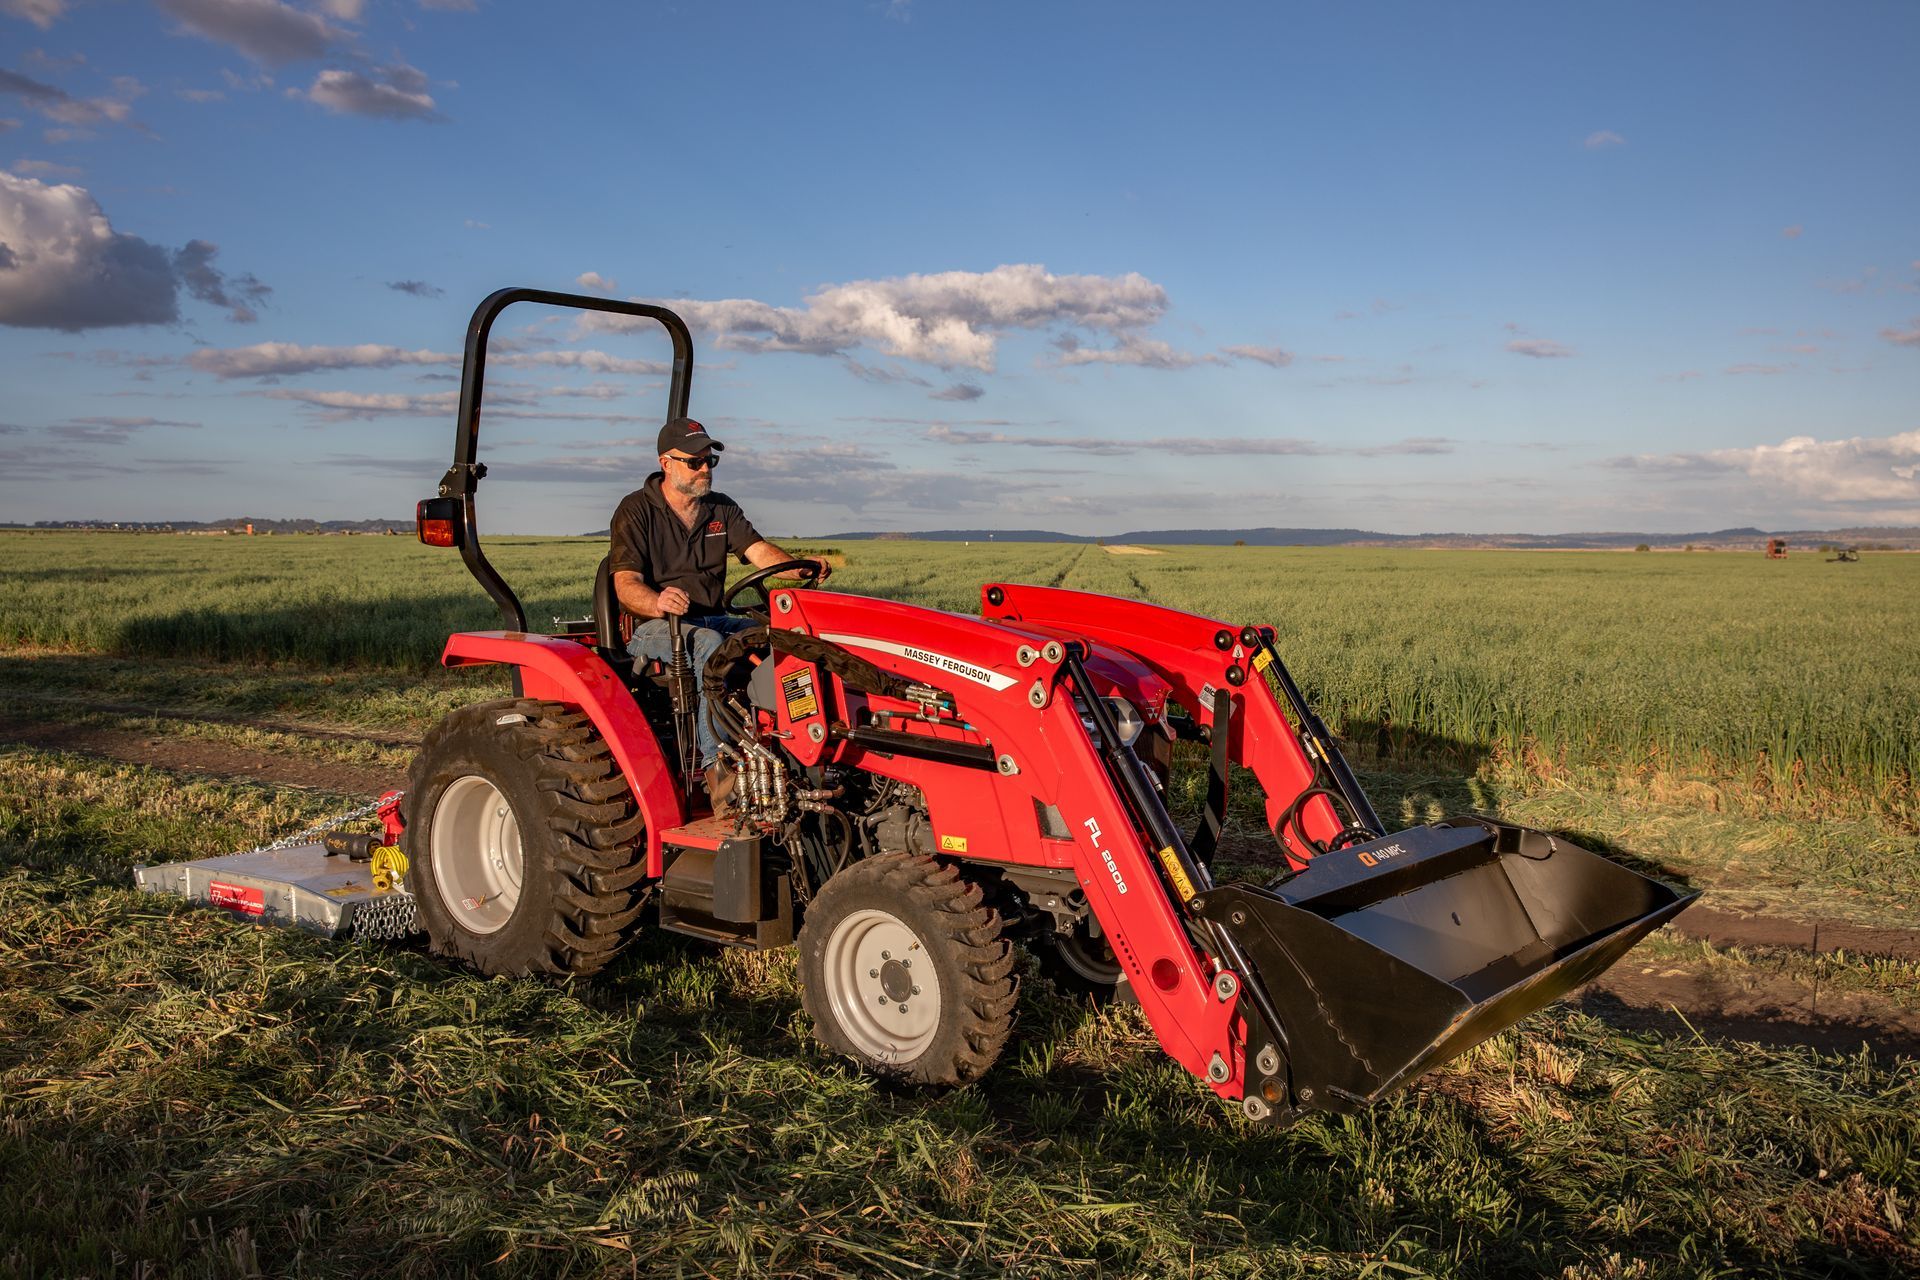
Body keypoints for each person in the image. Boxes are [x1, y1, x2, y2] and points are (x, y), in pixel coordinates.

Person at [609, 417, 832, 814]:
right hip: (657, 626)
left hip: (712, 616)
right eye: (695, 462)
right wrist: (658, 601)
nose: (705, 469)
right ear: (667, 463)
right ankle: (720, 775)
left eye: (710, 461)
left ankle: (787, 747)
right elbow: (625, 584)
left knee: (775, 636)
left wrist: (796, 567)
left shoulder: (720, 509)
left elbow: (759, 552)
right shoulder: (636, 510)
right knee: (712, 647)